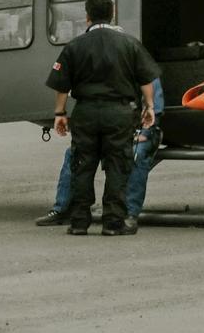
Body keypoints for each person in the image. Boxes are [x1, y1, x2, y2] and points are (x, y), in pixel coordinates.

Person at [45, 0, 160, 236]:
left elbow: (62, 85)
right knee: (118, 165)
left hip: (85, 111)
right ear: (113, 13)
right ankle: (113, 223)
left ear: (87, 16)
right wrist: (149, 107)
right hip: (119, 113)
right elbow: (146, 80)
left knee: (82, 164)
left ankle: (79, 223)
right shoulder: (129, 44)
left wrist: (60, 114)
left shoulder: (75, 46)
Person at [34, 79, 164, 227]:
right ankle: (61, 209)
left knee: (136, 153)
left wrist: (144, 133)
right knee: (74, 152)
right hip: (108, 129)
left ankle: (130, 213)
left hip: (139, 131)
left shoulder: (143, 71)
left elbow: (155, 111)